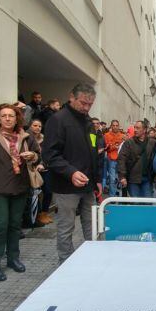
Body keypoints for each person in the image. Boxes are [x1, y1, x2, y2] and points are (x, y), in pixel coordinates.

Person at [0, 104, 39, 280]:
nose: (8, 119)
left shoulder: (25, 136)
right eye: (4, 116)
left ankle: (13, 258)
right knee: (0, 226)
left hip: (20, 187)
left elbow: (38, 155)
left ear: (17, 118)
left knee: (15, 226)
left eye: (11, 115)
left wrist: (33, 156)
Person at [42, 83, 101, 263]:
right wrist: (71, 173)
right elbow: (50, 155)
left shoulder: (89, 122)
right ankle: (65, 262)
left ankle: (95, 259)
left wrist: (97, 179)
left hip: (88, 185)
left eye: (90, 104)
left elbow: (93, 152)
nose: (86, 107)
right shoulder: (58, 120)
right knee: (66, 227)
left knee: (92, 225)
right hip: (66, 186)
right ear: (71, 97)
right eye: (83, 103)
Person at [118, 120, 156, 197]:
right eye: (135, 127)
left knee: (148, 203)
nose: (135, 130)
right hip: (133, 179)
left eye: (138, 128)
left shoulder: (152, 142)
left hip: (147, 179)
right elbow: (121, 159)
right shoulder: (129, 143)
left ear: (144, 130)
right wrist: (122, 177)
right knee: (135, 204)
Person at [28, 119, 53, 225]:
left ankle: (44, 213)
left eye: (39, 126)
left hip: (45, 168)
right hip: (31, 170)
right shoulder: (26, 137)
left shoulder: (45, 139)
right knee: (34, 193)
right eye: (35, 125)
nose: (37, 128)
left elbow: (48, 153)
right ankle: (36, 215)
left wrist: (43, 164)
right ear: (30, 126)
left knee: (48, 191)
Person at [104, 120, 124, 197]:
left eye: (117, 125)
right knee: (112, 179)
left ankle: (119, 196)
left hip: (121, 160)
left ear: (119, 126)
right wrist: (113, 147)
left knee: (120, 179)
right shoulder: (106, 135)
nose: (115, 127)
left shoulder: (123, 136)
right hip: (111, 160)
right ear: (111, 126)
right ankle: (112, 197)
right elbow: (106, 148)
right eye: (114, 125)